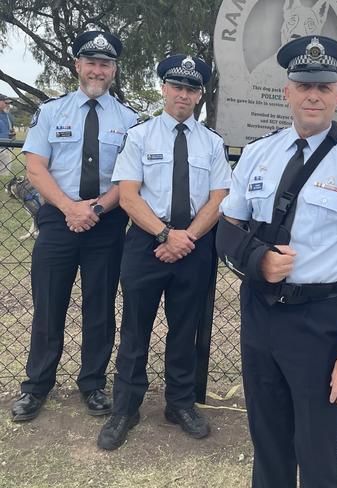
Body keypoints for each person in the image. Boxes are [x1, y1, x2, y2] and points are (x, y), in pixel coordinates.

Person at [216, 36, 337, 487]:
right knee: (268, 440)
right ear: (288, 92)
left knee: (317, 449)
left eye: (323, 86)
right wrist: (257, 260)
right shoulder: (258, 154)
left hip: (321, 322)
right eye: (303, 85)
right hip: (259, 314)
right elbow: (226, 231)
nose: (313, 95)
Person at [97, 54, 231, 450]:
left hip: (194, 242)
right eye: (176, 86)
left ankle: (179, 403)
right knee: (135, 329)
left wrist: (185, 237)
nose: (183, 94)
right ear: (164, 89)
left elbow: (219, 197)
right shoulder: (140, 136)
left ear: (199, 95)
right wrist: (164, 235)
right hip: (145, 243)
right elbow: (128, 194)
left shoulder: (212, 143)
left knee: (184, 329)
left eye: (191, 89)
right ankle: (126, 407)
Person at [11, 31, 139, 422]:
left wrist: (95, 209)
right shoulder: (51, 112)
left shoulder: (129, 119)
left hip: (106, 223)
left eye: (105, 64)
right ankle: (36, 387)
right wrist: (69, 207)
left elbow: (129, 179)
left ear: (114, 70)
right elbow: (35, 167)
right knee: (49, 305)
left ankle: (93, 384)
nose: (98, 70)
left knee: (100, 307)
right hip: (57, 219)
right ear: (77, 66)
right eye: (91, 63)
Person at [0, 93, 17, 175]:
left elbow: (11, 130)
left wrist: (13, 136)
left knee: (4, 174)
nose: (8, 105)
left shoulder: (9, 116)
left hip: (6, 148)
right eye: (5, 103)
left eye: (9, 103)